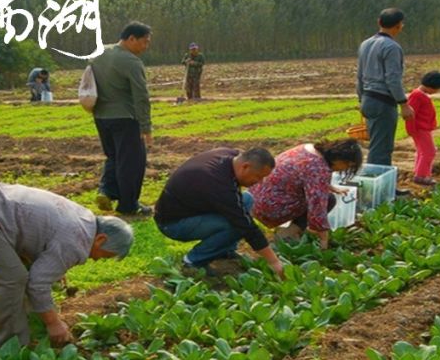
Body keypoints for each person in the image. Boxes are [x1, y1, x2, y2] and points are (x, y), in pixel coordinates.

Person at [0, 179, 134, 347]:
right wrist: (54, 323)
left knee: (23, 271)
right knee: (12, 279)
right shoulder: (75, 241)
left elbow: (44, 235)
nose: (98, 259)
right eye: (105, 255)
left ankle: (27, 334)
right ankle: (5, 347)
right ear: (100, 239)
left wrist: (54, 264)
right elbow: (38, 283)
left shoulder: (84, 219)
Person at [155, 147, 285, 277]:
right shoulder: (218, 182)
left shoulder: (230, 156)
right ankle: (193, 261)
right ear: (245, 166)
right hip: (173, 224)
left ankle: (224, 249)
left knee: (247, 200)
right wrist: (273, 262)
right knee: (236, 225)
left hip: (193, 210)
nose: (259, 182)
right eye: (258, 176)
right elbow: (245, 225)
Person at [250, 139, 363, 249]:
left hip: (254, 199)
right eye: (348, 166)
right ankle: (286, 234)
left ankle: (292, 233)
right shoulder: (318, 168)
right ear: (339, 160)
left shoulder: (308, 148)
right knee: (329, 200)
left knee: (320, 196)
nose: (345, 169)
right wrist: (324, 240)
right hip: (270, 209)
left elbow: (302, 176)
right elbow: (318, 209)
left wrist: (329, 187)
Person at [92, 21, 153, 216]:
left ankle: (106, 191)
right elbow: (141, 96)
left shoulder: (98, 54)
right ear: (131, 38)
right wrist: (146, 127)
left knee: (114, 156)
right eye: (144, 42)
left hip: (101, 116)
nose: (145, 47)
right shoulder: (131, 61)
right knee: (132, 162)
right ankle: (129, 205)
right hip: (125, 117)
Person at [357, 8, 415, 169]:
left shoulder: (365, 44)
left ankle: (382, 185)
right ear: (398, 26)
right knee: (382, 148)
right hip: (383, 102)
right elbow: (392, 79)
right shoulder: (391, 47)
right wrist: (404, 104)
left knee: (377, 145)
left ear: (379, 22)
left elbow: (359, 76)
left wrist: (362, 100)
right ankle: (379, 188)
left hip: (368, 99)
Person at [405, 71, 440, 185]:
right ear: (432, 86)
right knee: (429, 152)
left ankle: (421, 173)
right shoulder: (417, 95)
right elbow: (410, 115)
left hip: (423, 128)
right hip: (420, 129)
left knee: (422, 151)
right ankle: (421, 175)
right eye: (437, 89)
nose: (437, 91)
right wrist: (411, 129)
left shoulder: (421, 95)